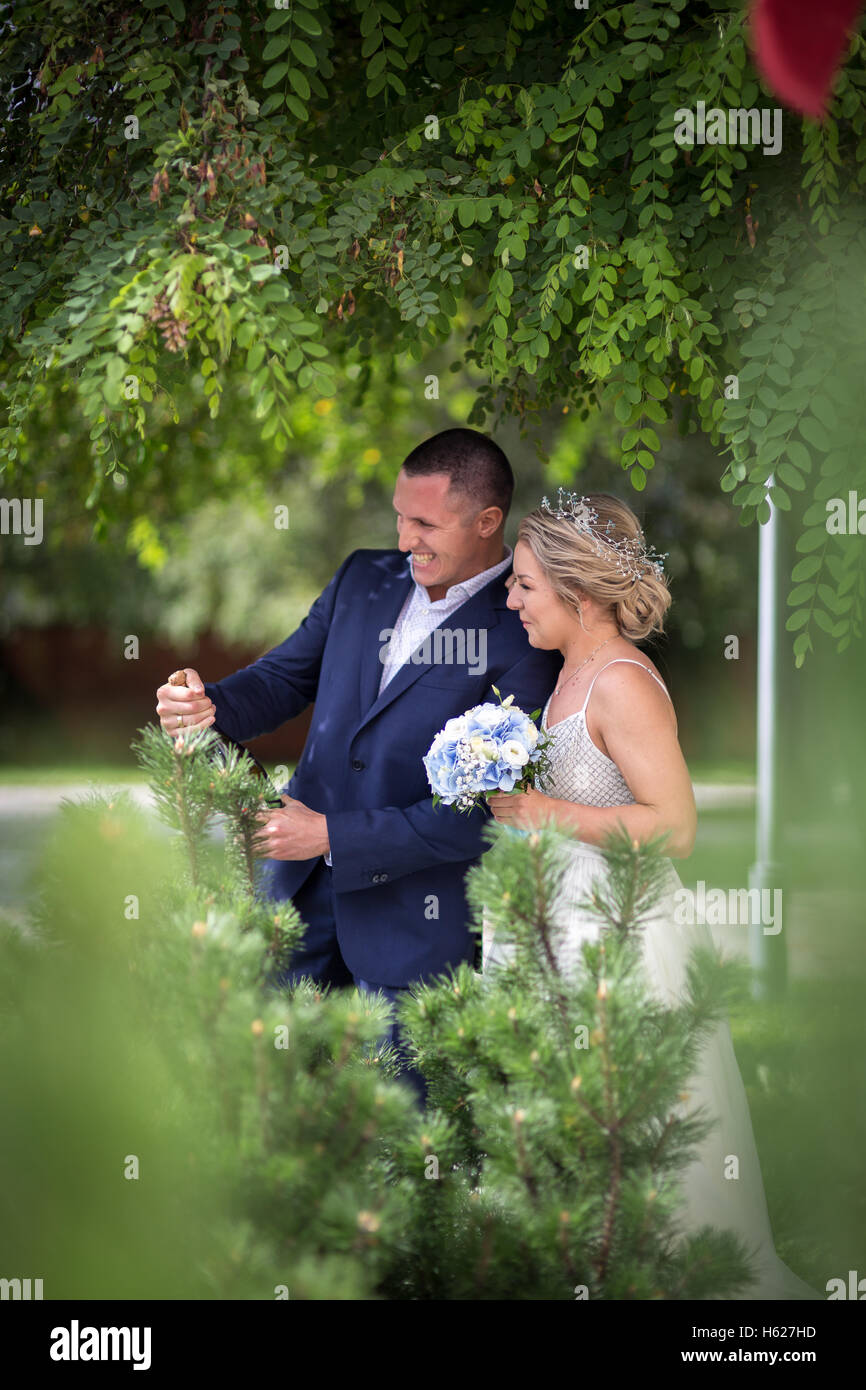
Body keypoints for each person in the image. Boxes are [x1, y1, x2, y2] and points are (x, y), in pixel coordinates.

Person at [154, 428, 560, 1103]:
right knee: (273, 1111)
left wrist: (335, 836)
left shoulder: (528, 628)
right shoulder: (360, 578)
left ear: (488, 522)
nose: (405, 539)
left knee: (404, 1142)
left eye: (425, 523)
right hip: (295, 906)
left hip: (418, 933)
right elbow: (280, 681)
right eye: (400, 516)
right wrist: (207, 705)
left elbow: (485, 817)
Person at [484, 489, 819, 1300]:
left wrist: (548, 811)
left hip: (621, 935)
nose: (510, 598)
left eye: (525, 584)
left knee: (636, 1137)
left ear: (581, 593)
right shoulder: (570, 675)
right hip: (562, 926)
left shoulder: (624, 683)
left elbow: (675, 827)